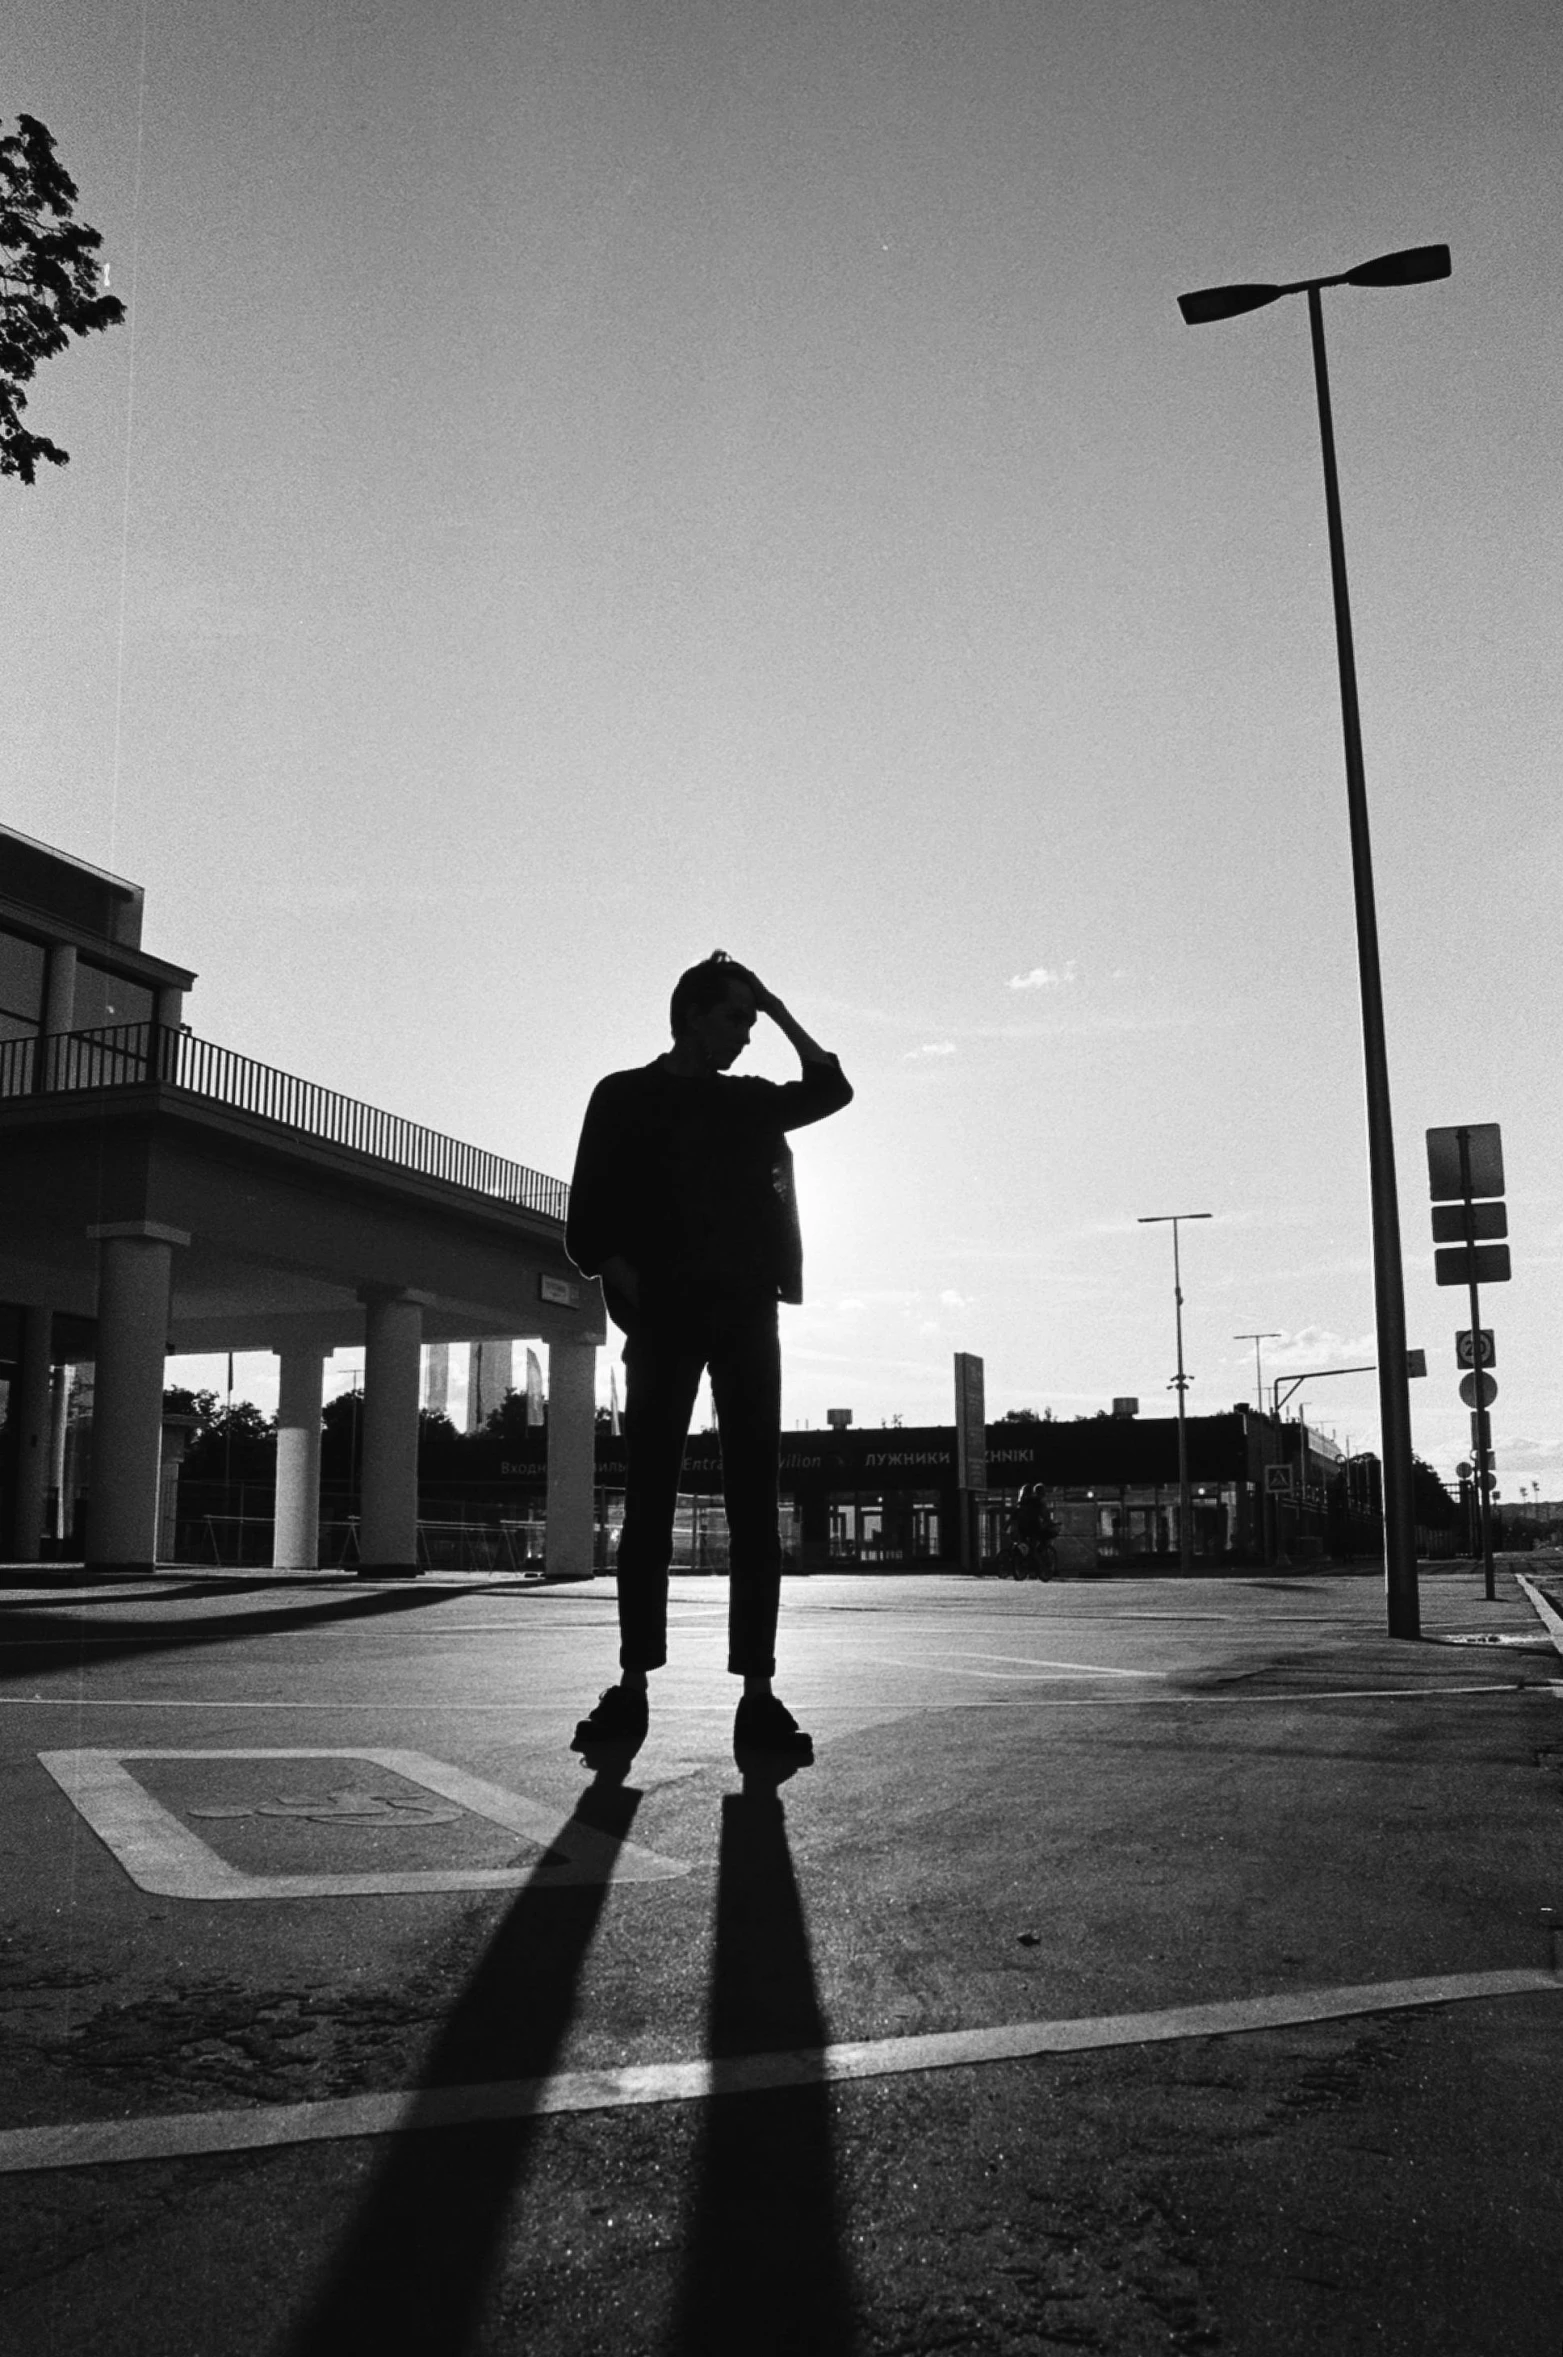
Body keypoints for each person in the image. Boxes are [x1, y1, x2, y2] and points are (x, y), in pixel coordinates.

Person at [564, 951, 853, 1760]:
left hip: (745, 1313)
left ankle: (757, 1694)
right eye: (735, 1018)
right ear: (691, 1014)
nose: (746, 1036)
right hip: (664, 1315)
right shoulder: (624, 1094)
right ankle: (631, 1685)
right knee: (648, 1499)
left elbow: (832, 1089)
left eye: (752, 1023)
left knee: (754, 1498)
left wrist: (776, 1000)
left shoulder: (752, 1104)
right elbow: (587, 1214)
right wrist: (624, 1277)